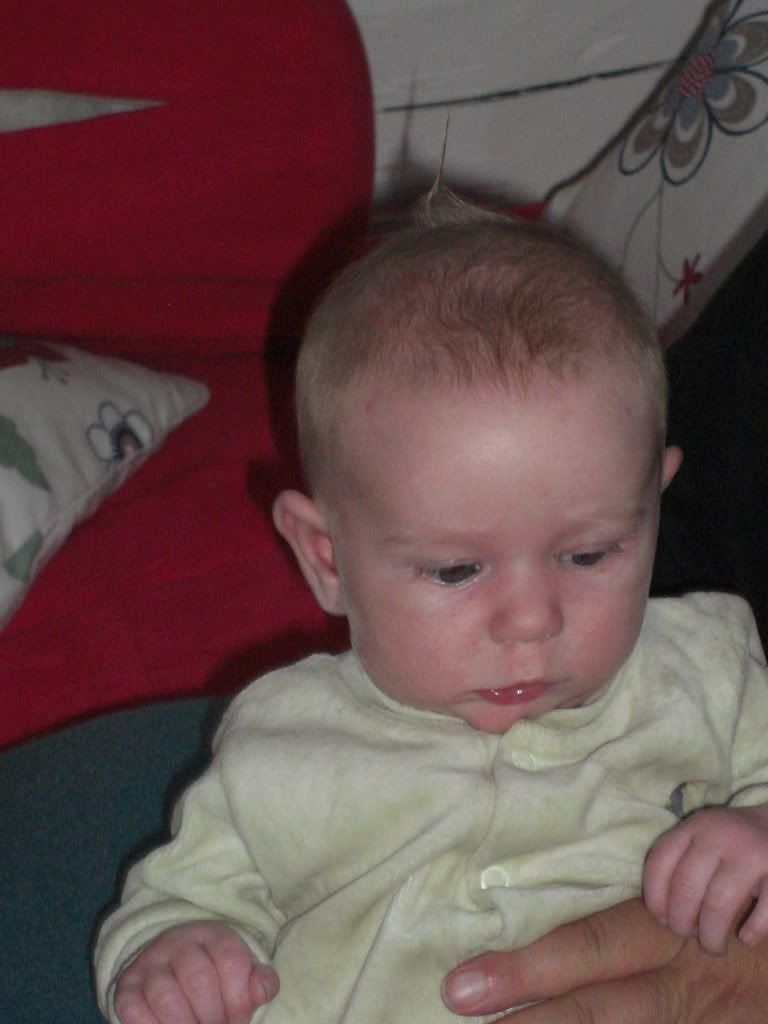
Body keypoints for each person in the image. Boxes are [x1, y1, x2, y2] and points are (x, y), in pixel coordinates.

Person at [94, 193, 768, 1024]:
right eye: (456, 570)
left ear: (654, 505)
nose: (531, 621)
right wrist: (177, 957)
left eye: (590, 555)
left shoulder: (707, 672)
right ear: (327, 559)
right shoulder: (281, 745)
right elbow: (176, 902)